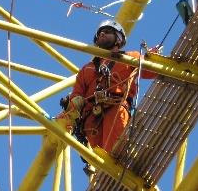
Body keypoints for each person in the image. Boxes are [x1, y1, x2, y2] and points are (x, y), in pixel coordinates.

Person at [59, 20, 155, 168]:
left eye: (107, 31)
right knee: (100, 160)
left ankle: (117, 173)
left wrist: (154, 59)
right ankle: (104, 178)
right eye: (100, 33)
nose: (102, 34)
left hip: (115, 109)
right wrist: (73, 103)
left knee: (115, 154)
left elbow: (152, 71)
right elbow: (77, 94)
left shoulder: (130, 58)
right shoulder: (87, 69)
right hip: (91, 119)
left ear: (118, 39)